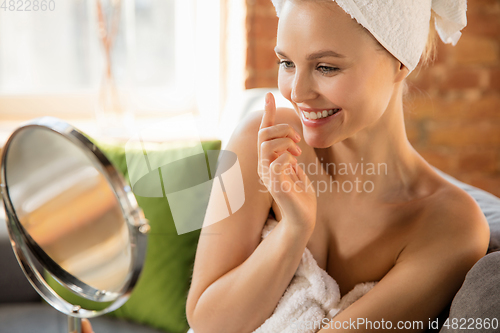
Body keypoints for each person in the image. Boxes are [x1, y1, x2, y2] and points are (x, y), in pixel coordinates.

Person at [83, 1, 490, 332]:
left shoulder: (451, 227)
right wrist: (293, 231)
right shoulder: (263, 139)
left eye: (326, 67)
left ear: (403, 61)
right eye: (286, 63)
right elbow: (207, 320)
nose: (298, 92)